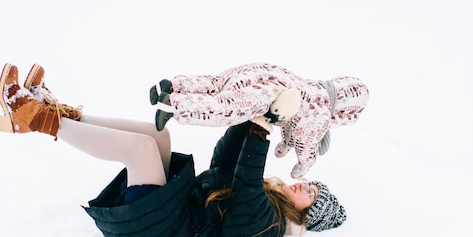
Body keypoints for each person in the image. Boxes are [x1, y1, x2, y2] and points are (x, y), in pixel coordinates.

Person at [0, 63, 347, 237]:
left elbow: (245, 188)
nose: (305, 188)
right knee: (159, 137)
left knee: (141, 150)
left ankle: (38, 119)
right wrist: (248, 116)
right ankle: (60, 114)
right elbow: (225, 163)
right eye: (312, 186)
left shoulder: (267, 226)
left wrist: (263, 127)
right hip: (174, 219)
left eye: (312, 198)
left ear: (305, 217)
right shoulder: (267, 203)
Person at [150, 62, 370, 178]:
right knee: (229, 107)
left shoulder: (314, 87)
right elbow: (306, 142)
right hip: (270, 91)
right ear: (346, 111)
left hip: (270, 72)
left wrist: (284, 145)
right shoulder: (321, 112)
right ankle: (174, 106)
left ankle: (173, 85)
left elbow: (293, 125)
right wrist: (304, 165)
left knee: (218, 83)